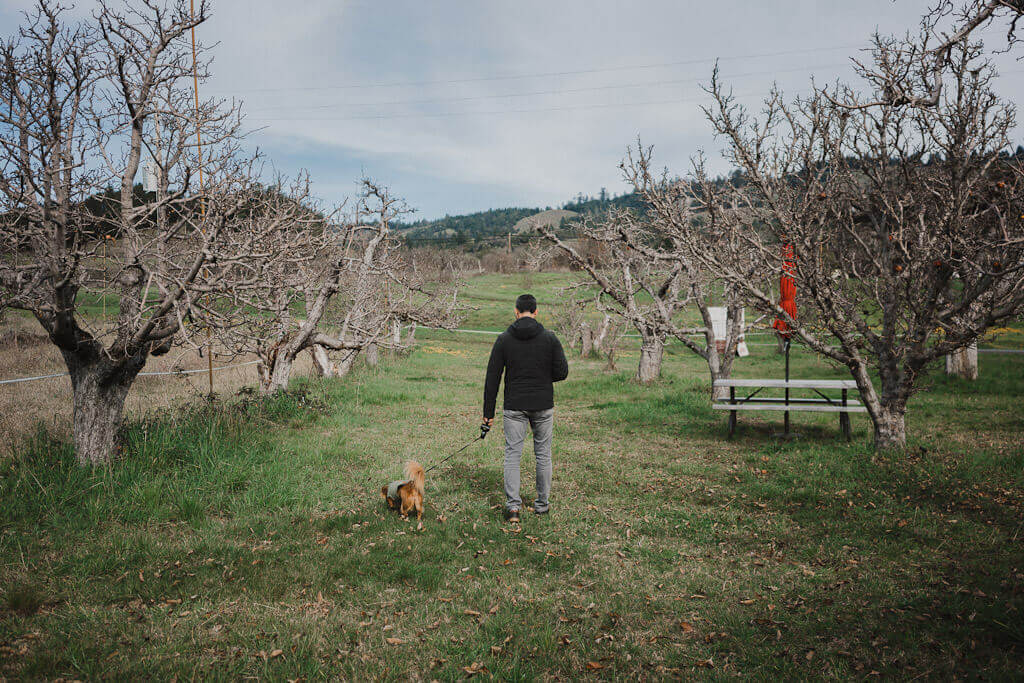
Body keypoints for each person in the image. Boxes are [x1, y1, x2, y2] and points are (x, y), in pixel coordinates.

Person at [482, 293, 569, 522]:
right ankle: (542, 505)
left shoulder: (504, 339)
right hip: (543, 405)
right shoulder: (549, 338)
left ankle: (513, 508)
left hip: (514, 406)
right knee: (543, 455)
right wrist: (541, 377)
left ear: (516, 311)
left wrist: (487, 415)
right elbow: (562, 372)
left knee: (512, 455)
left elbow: (492, 379)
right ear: (536, 312)